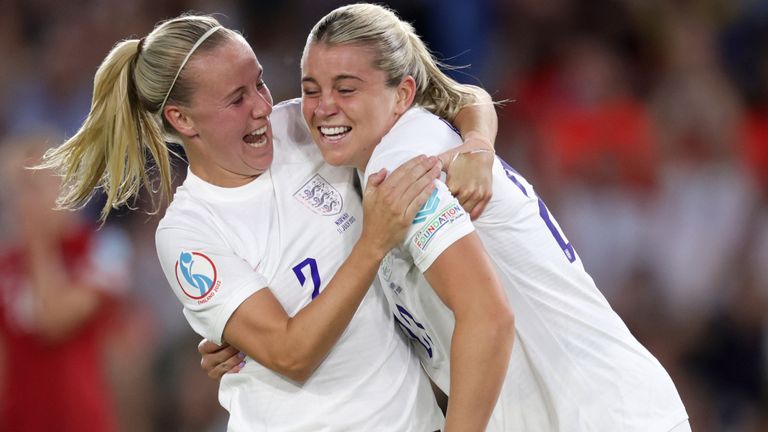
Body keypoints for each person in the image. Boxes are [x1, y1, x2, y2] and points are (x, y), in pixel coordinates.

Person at [38, 13, 499, 431]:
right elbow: (290, 354)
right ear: (183, 119)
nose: (262, 106)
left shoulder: (305, 125)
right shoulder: (188, 233)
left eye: (258, 83)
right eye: (237, 98)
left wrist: (478, 144)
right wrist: (373, 242)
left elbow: (456, 94)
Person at [295, 4, 690, 431]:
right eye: (311, 89)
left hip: (599, 415)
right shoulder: (391, 152)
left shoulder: (401, 160)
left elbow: (488, 318)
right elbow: (467, 96)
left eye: (347, 89)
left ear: (403, 94)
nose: (323, 106)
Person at [0, 133, 130, 432]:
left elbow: (54, 320)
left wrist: (38, 246)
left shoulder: (104, 250)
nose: (22, 202)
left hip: (80, 419)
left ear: (66, 185)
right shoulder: (6, 265)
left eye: (32, 187)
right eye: (14, 191)